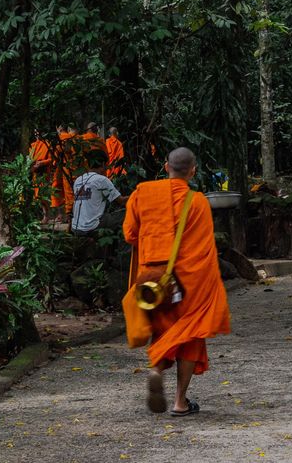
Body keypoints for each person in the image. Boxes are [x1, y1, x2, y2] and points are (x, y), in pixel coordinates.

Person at [123, 147, 231, 417]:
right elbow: (205, 250)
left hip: (152, 281)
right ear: (193, 170)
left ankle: (157, 369)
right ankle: (180, 402)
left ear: (165, 166)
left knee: (162, 331)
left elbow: (130, 234)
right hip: (188, 283)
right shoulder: (197, 202)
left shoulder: (141, 194)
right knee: (190, 337)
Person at [71, 151, 128, 235]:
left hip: (75, 227)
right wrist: (138, 194)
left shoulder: (78, 179)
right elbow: (121, 201)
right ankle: (125, 247)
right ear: (103, 164)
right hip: (91, 227)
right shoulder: (101, 179)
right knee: (127, 215)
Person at [28, 129, 52, 223]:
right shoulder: (33, 145)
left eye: (39, 132)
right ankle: (44, 215)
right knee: (38, 195)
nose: (37, 134)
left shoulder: (47, 144)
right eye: (35, 133)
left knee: (43, 194)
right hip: (35, 172)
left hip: (44, 172)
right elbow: (30, 159)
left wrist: (42, 163)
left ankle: (47, 216)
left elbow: (51, 159)